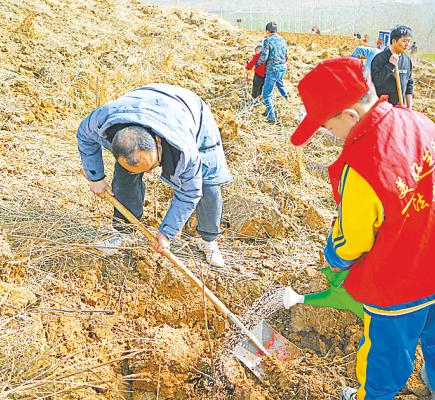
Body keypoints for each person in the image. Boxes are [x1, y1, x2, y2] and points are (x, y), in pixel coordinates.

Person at [290, 57, 435, 400]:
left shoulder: (363, 164)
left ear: (349, 115)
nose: (332, 137)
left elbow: (354, 240)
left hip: (401, 283)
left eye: (329, 128)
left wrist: (333, 255)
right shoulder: (417, 120)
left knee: (384, 357)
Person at [77, 83, 232, 267]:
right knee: (124, 176)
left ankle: (208, 240)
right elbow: (84, 136)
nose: (149, 172)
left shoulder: (185, 149)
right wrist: (96, 177)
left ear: (158, 141)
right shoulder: (102, 121)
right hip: (140, 102)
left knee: (208, 185)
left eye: (152, 165)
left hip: (192, 113)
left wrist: (166, 233)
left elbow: (190, 192)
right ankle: (124, 232)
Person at [371, 25, 414, 108]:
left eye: (409, 41)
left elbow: (409, 84)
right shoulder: (380, 58)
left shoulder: (407, 60)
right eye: (404, 41)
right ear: (394, 41)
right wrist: (390, 65)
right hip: (381, 107)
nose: (407, 44)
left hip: (399, 107)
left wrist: (409, 107)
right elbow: (376, 81)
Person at [257, 21, 288, 123]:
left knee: (266, 94)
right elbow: (286, 56)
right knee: (279, 82)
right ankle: (286, 98)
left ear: (267, 31)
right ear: (276, 30)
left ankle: (271, 118)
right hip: (282, 68)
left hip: (272, 70)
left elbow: (264, 57)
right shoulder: (282, 40)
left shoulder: (268, 41)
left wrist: (257, 64)